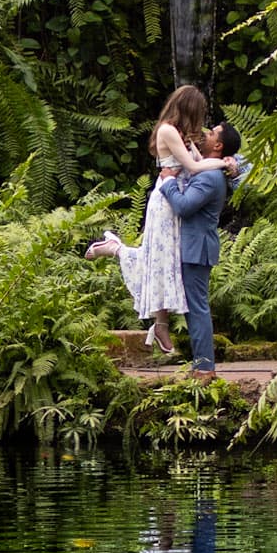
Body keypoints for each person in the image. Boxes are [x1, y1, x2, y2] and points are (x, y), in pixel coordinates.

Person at [85, 86, 235, 356]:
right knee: (160, 260)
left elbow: (202, 162)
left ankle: (115, 249)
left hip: (179, 194)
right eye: (199, 113)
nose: (203, 122)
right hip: (167, 201)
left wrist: (228, 161)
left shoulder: (186, 137)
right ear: (189, 108)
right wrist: (224, 164)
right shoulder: (167, 130)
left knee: (166, 262)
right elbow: (194, 167)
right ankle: (159, 321)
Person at [160, 120, 246, 383]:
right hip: (195, 246)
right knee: (194, 307)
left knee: (196, 308)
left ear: (218, 146)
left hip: (196, 248)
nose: (206, 133)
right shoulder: (211, 170)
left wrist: (169, 184)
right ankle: (201, 365)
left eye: (212, 133)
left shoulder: (209, 177)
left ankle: (205, 368)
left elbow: (185, 207)